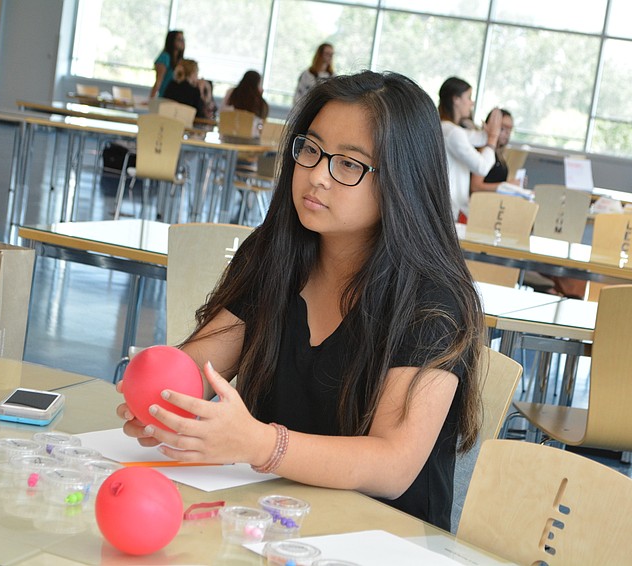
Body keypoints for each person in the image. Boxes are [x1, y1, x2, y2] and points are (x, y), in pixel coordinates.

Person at [117, 70, 485, 531]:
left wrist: (259, 444)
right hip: (273, 521)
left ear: (402, 182)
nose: (315, 176)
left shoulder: (434, 301)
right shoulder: (275, 255)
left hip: (382, 540)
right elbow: (200, 365)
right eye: (310, 150)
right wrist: (163, 403)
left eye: (349, 164)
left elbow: (393, 465)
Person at [438, 77, 501, 223]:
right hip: (451, 206)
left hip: (446, 204)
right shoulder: (453, 132)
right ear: (456, 99)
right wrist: (492, 139)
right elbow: (482, 167)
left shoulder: (443, 127)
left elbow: (475, 137)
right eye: (469, 97)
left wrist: (489, 133)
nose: (472, 103)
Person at [470, 109, 514, 193]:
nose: (507, 133)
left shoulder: (499, 153)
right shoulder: (485, 151)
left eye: (510, 129)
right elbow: (475, 186)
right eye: (503, 128)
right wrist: (506, 186)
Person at [150, 30, 185, 99]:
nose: (182, 42)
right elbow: (159, 80)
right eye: (179, 39)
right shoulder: (165, 57)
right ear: (172, 41)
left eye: (183, 40)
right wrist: (151, 99)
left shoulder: (180, 60)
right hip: (165, 96)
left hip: (176, 97)